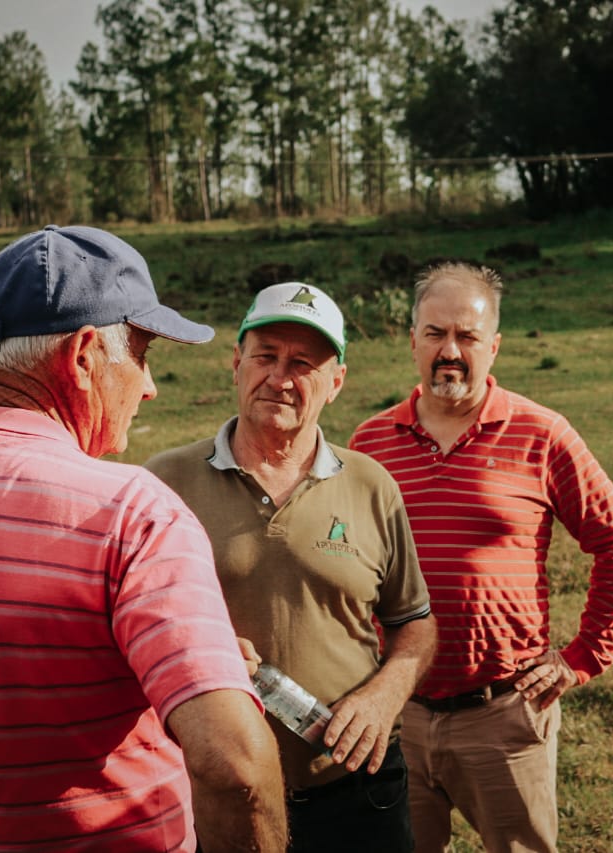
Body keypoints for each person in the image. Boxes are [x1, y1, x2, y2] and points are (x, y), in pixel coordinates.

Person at [0, 225, 286, 851]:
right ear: (83, 355)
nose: (149, 386)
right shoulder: (135, 515)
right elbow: (234, 767)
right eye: (143, 354)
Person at [348, 262, 613, 853]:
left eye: (468, 336)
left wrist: (582, 656)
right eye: (435, 334)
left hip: (503, 714)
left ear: (495, 346)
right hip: (396, 714)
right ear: (412, 341)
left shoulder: (542, 434)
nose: (450, 351)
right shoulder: (369, 442)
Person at [144, 282, 436, 853]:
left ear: (336, 384)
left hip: (356, 786)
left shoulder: (371, 485)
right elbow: (124, 626)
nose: (279, 377)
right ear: (236, 364)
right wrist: (196, 648)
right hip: (217, 790)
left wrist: (384, 696)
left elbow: (415, 623)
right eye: (265, 356)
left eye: (303, 363)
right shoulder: (163, 483)